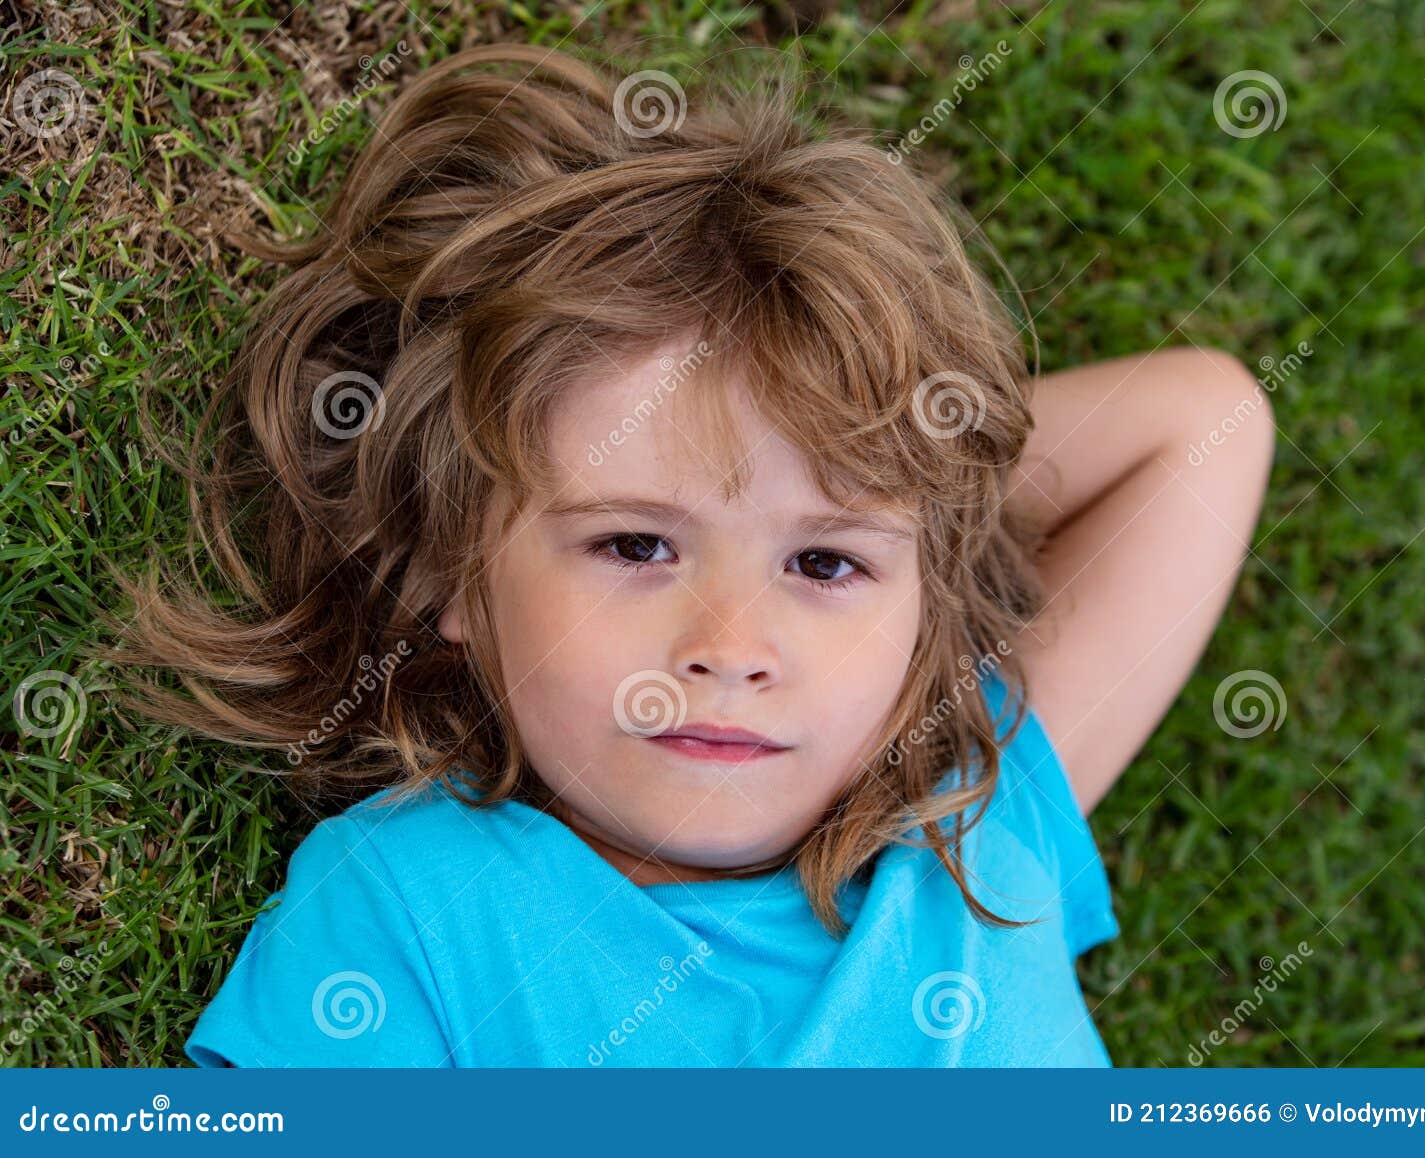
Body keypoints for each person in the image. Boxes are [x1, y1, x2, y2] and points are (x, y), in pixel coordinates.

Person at [106, 42, 1274, 1067]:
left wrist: (881, 460)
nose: (730, 648)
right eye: (636, 542)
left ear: (925, 602)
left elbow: (1205, 426)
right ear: (450, 569)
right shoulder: (417, 908)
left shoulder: (962, 798)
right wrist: (819, 485)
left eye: (823, 568)